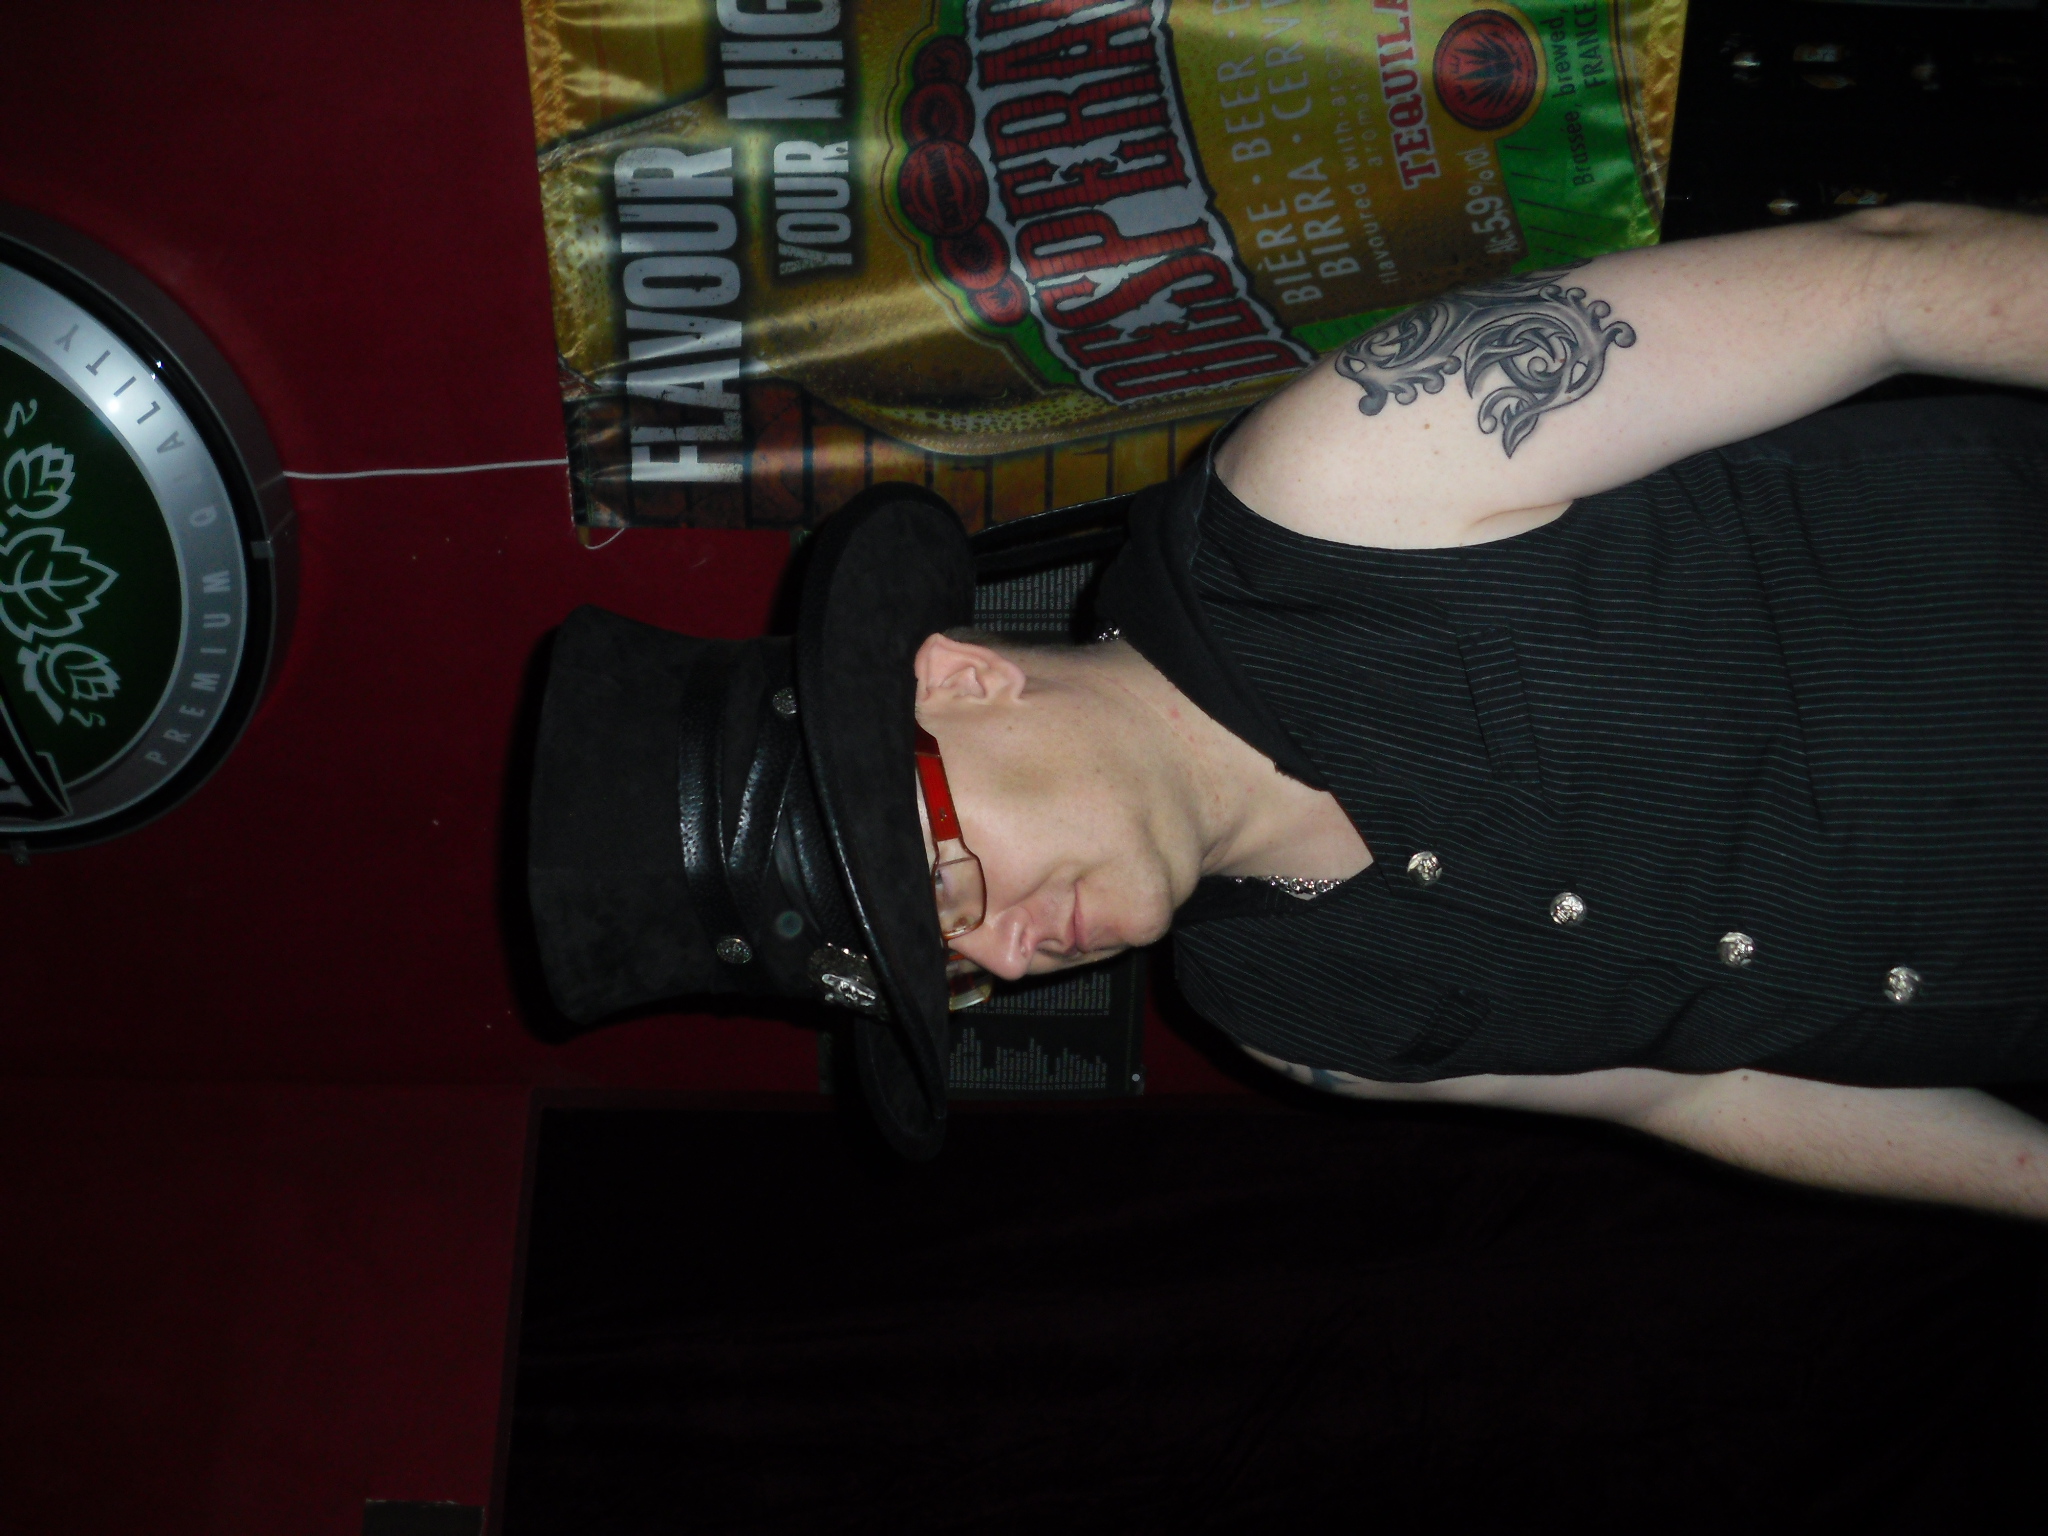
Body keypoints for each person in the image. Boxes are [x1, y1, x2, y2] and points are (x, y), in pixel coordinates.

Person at [527, 204, 2048, 1203]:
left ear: (963, 677)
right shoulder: (1298, 1025)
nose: (1002, 950)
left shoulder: (1340, 491)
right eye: (952, 969)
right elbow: (1697, 1097)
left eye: (937, 881)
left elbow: (1892, 282)